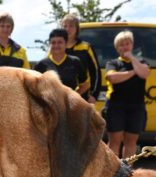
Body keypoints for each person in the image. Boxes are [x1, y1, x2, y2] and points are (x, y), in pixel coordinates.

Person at [104, 30, 150, 158]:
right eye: (121, 44)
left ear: (132, 45)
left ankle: (127, 171)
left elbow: (145, 73)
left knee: (131, 141)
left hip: (136, 107)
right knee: (114, 140)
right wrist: (133, 72)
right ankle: (111, 172)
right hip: (116, 106)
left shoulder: (141, 61)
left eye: (127, 43)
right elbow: (112, 78)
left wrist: (132, 59)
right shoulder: (112, 63)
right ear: (117, 48)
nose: (125, 47)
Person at [34, 28, 90, 96]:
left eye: (60, 42)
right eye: (53, 43)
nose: (56, 45)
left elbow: (85, 84)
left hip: (69, 105)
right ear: (49, 44)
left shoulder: (75, 62)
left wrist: (73, 96)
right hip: (48, 105)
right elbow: (33, 87)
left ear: (66, 44)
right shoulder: (41, 65)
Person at [61, 14, 101, 103]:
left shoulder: (85, 47)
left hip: (83, 97)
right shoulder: (57, 48)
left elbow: (96, 71)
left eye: (71, 26)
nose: (68, 29)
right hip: (62, 98)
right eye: (65, 26)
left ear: (77, 28)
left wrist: (94, 95)